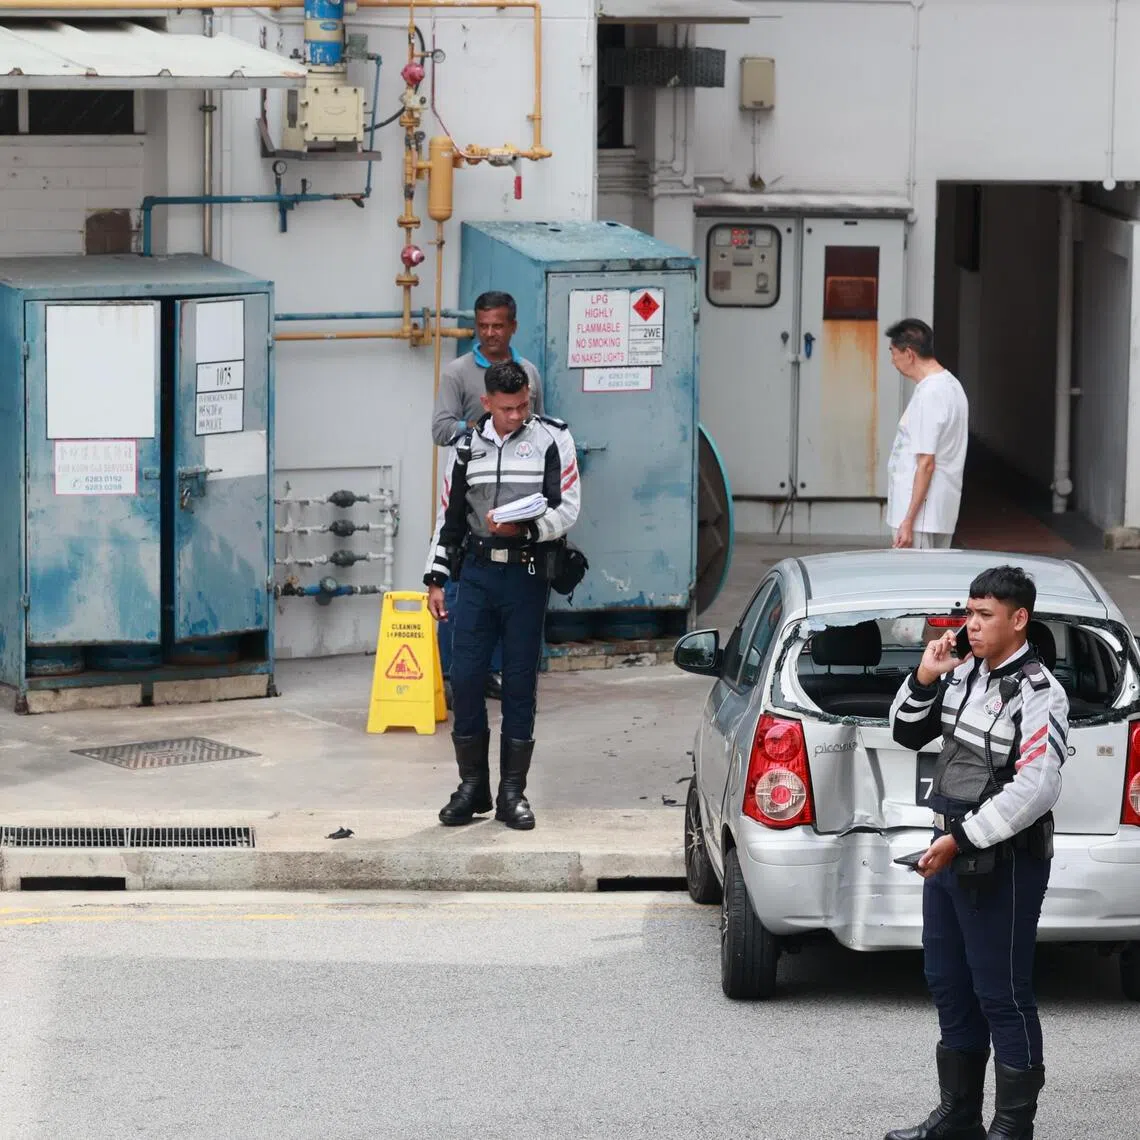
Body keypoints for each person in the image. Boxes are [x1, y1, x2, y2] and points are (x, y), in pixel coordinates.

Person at [885, 566, 1068, 1140]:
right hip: (947, 854)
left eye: (985, 615)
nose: (972, 625)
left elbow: (1037, 787)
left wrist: (960, 839)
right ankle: (958, 1116)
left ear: (1020, 619)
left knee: (1002, 993)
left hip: (1004, 861)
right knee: (947, 981)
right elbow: (905, 733)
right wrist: (924, 675)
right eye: (969, 612)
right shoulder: (964, 676)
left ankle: (1012, 1127)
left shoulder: (1041, 692)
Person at [424, 359, 579, 831]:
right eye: (507, 408)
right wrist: (435, 577)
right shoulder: (466, 446)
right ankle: (473, 787)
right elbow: (449, 517)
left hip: (526, 577)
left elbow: (568, 508)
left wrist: (527, 527)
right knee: (466, 679)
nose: (517, 416)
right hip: (475, 576)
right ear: (486, 403)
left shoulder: (553, 438)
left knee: (517, 684)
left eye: (523, 405)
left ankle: (513, 793)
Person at [431, 291, 545, 702]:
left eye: (498, 326)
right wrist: (479, 425)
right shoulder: (457, 374)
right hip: (471, 503)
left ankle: (498, 673)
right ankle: (456, 673)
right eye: (483, 327)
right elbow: (440, 430)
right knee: (461, 588)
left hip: (517, 505)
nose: (490, 334)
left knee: (510, 590)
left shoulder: (528, 371)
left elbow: (541, 431)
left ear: (513, 326)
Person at [885, 319, 969, 550]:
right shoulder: (952, 386)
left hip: (920, 517)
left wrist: (908, 520)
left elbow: (926, 463)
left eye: (893, 353)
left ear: (909, 353)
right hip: (936, 512)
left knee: (913, 582)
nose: (892, 361)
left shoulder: (930, 394)